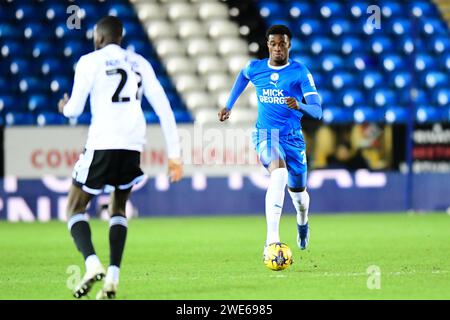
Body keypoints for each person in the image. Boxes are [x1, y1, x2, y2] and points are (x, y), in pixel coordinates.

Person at [58, 16, 183, 299]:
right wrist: (174, 154)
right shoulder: (140, 63)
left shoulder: (90, 61)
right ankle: (112, 279)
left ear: (99, 38)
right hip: (132, 144)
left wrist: (64, 106)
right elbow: (164, 107)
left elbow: (75, 109)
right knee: (118, 208)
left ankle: (91, 264)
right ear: (121, 37)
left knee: (74, 208)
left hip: (103, 142)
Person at [218, 25, 322, 255]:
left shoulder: (300, 72)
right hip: (265, 135)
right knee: (279, 173)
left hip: (293, 139)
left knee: (300, 198)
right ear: (268, 45)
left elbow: (318, 111)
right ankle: (271, 241)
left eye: (282, 44)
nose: (277, 48)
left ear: (289, 45)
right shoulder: (255, 68)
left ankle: (302, 222)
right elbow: (242, 77)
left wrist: (300, 105)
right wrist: (229, 104)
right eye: (273, 44)